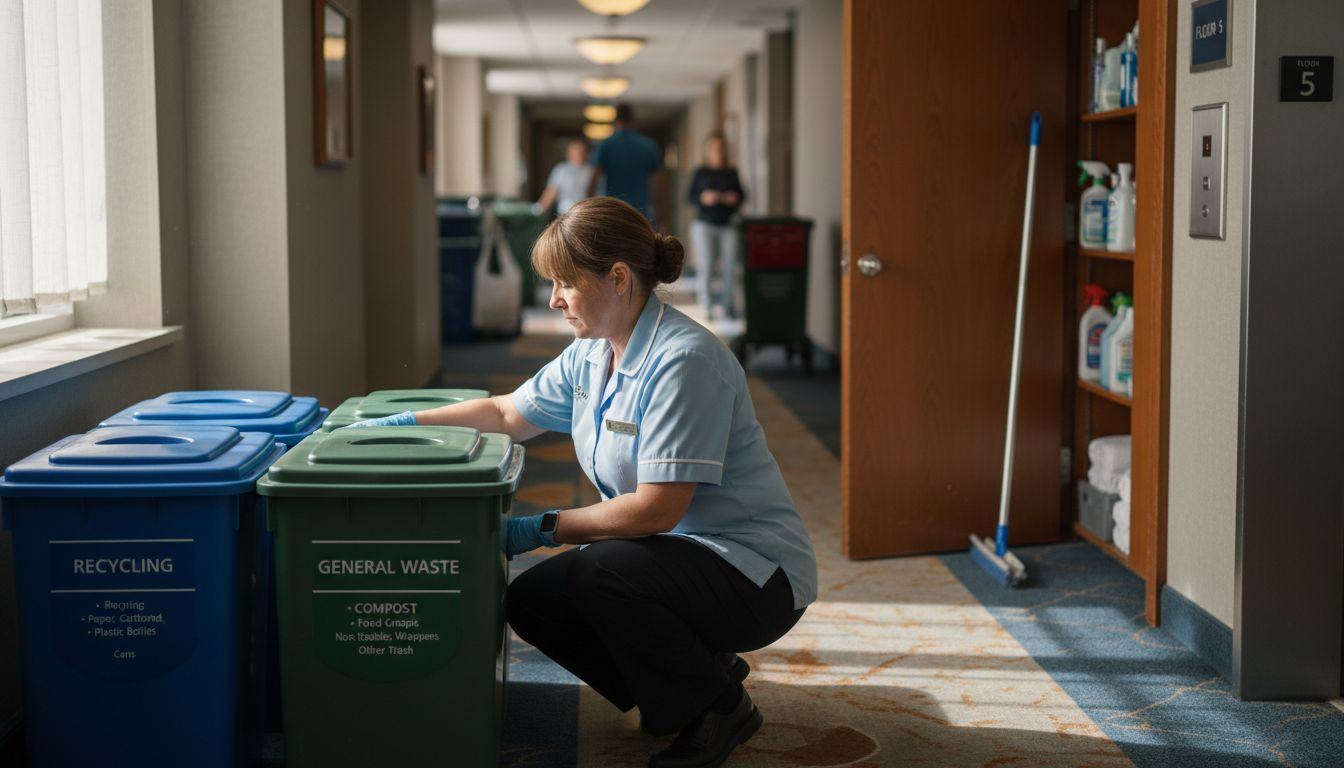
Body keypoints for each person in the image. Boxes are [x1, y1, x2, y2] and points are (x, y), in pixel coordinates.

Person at [345, 196, 817, 768]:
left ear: (618, 279)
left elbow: (654, 512)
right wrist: (395, 427)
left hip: (752, 572)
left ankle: (716, 708)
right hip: (673, 557)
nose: (553, 300)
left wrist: (542, 528)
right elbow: (505, 415)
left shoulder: (684, 361)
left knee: (601, 572)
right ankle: (700, 672)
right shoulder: (591, 353)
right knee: (534, 601)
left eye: (564, 283)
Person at [687, 132, 746, 319]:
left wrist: (732, 199)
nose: (717, 151)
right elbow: (689, 197)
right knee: (707, 266)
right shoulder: (700, 172)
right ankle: (708, 306)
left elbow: (742, 196)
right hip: (704, 225)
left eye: (720, 147)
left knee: (730, 267)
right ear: (708, 149)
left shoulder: (731, 172)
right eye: (713, 147)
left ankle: (729, 306)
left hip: (727, 225)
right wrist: (704, 198)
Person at [588, 103, 667, 228]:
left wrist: (588, 214)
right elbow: (659, 185)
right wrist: (662, 218)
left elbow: (593, 181)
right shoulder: (648, 146)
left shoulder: (605, 146)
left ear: (614, 122)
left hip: (612, 212)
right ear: (632, 121)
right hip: (640, 213)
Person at [536, 138, 593, 216]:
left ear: (586, 153)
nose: (578, 154)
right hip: (565, 212)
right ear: (569, 153)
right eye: (575, 151)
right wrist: (539, 210)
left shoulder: (592, 171)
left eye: (581, 151)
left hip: (586, 212)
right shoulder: (561, 169)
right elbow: (551, 192)